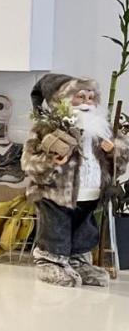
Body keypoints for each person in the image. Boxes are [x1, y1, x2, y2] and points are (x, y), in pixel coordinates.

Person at [22, 73, 120, 287]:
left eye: (90, 98)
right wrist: (52, 160)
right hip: (55, 194)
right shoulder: (46, 128)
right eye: (80, 96)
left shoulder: (101, 131)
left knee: (84, 229)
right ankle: (50, 261)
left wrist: (114, 152)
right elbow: (28, 162)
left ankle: (78, 261)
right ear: (63, 100)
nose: (86, 103)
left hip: (90, 194)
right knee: (56, 228)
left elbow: (119, 165)